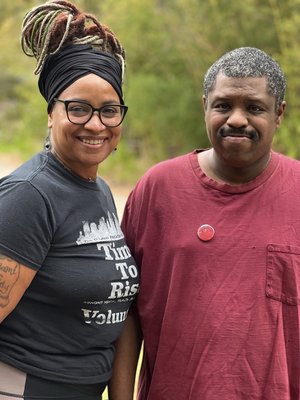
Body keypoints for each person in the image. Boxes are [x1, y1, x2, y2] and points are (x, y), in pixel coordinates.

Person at [108, 47, 300, 400]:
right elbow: (126, 312)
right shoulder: (158, 189)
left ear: (279, 114)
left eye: (254, 107)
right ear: (205, 106)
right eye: (224, 105)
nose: (237, 119)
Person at [0, 1, 139, 399]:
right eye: (78, 109)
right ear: (50, 113)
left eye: (109, 111)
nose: (95, 124)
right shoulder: (30, 195)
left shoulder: (99, 191)